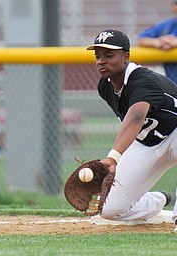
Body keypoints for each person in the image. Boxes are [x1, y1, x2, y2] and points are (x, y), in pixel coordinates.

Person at [86, 29, 177, 231]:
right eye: (98, 56)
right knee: (110, 209)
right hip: (148, 142)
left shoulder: (142, 79)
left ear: (126, 56)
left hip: (174, 134)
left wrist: (113, 157)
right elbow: (132, 124)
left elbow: (136, 117)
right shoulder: (105, 87)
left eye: (109, 55)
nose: (101, 61)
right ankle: (157, 202)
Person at [138, 0, 177, 84]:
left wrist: (174, 42)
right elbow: (142, 39)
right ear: (173, 6)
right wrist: (159, 43)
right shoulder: (167, 26)